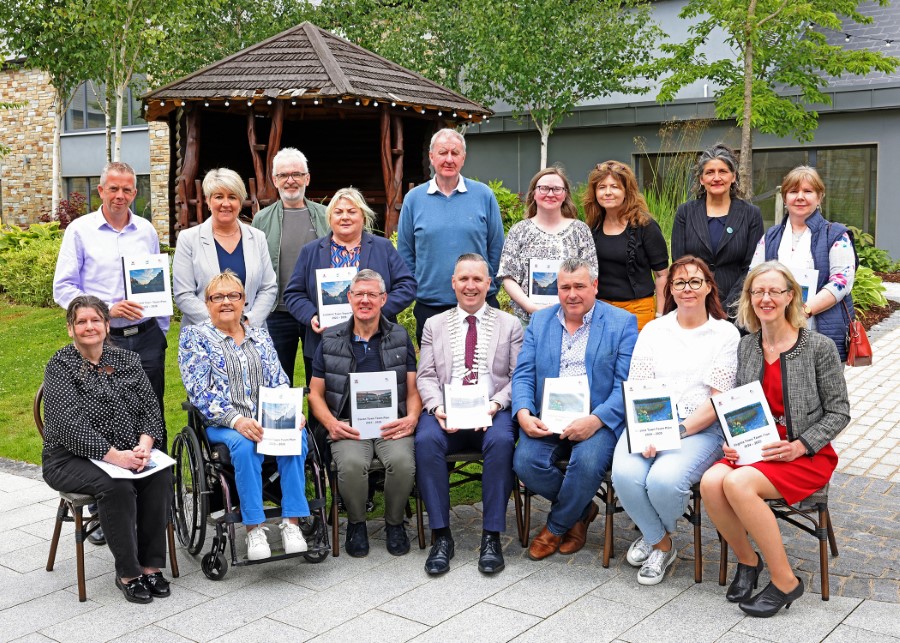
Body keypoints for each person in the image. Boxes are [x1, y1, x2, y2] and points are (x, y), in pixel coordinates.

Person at [701, 261, 850, 617]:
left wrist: (800, 445)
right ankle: (748, 562)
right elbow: (737, 404)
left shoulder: (818, 347)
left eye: (774, 291)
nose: (765, 298)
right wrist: (731, 439)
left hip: (804, 454)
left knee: (736, 484)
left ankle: (785, 581)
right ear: (749, 298)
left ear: (790, 297)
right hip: (756, 446)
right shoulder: (747, 347)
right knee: (710, 481)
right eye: (758, 292)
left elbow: (840, 412)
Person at [53, 161, 169, 546]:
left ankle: (153, 504)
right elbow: (64, 288)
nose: (120, 196)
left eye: (128, 190)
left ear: (136, 193)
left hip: (147, 337)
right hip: (104, 341)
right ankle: (108, 508)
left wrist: (160, 330)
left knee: (150, 415)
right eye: (113, 189)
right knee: (103, 420)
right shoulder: (80, 231)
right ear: (100, 191)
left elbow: (155, 280)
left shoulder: (146, 230)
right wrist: (106, 309)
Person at [611, 256, 739, 585]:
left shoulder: (725, 333)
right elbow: (639, 388)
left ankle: (654, 537)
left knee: (664, 481)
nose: (687, 289)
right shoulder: (654, 329)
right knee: (625, 475)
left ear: (709, 287)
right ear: (670, 289)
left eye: (695, 281)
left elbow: (716, 400)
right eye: (679, 282)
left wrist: (675, 432)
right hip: (649, 420)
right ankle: (663, 543)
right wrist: (648, 432)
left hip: (700, 427)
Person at [42, 296, 172, 604]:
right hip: (69, 458)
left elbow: (151, 411)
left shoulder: (127, 360)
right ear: (70, 329)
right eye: (81, 322)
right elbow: (68, 426)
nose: (89, 327)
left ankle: (151, 566)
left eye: (95, 320)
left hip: (128, 452)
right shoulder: (60, 366)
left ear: (107, 324)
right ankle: (128, 572)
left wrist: (143, 448)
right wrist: (118, 458)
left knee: (160, 475)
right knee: (116, 484)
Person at [179, 271, 310, 561]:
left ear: (244, 301)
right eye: (218, 297)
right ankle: (254, 528)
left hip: (267, 416)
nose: (226, 302)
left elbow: (278, 379)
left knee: (295, 436)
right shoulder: (195, 338)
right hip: (223, 424)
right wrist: (237, 420)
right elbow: (200, 391)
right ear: (207, 302)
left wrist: (292, 413)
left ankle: (292, 523)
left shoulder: (259, 336)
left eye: (233, 296)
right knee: (246, 443)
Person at [513, 257, 638, 560]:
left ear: (595, 286)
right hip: (548, 417)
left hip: (597, 419)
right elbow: (524, 374)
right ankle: (582, 510)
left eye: (579, 286)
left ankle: (555, 527)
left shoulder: (621, 323)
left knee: (587, 463)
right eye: (565, 287)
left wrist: (595, 420)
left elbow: (626, 384)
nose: (572, 294)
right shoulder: (540, 321)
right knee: (525, 463)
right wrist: (524, 413)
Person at [415, 254, 524, 575]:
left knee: (503, 441)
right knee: (425, 440)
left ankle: (491, 536)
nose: (470, 285)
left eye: (478, 279)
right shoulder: (434, 325)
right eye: (464, 279)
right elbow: (426, 376)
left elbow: (519, 377)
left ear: (489, 284)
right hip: (447, 410)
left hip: (492, 409)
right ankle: (441, 536)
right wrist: (437, 408)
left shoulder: (510, 325)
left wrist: (495, 405)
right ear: (453, 283)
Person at [307, 269, 421, 557]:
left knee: (402, 462)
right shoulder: (330, 339)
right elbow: (315, 394)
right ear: (349, 298)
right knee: (352, 465)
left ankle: (395, 523)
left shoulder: (399, 335)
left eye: (372, 294)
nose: (365, 300)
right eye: (359, 294)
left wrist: (412, 418)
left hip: (390, 424)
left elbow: (412, 389)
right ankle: (357, 523)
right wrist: (331, 423)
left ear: (383, 299)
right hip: (348, 426)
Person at [283, 187, 416, 384]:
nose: (345, 217)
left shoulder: (383, 247)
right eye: (338, 212)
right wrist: (311, 316)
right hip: (325, 342)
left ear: (363, 216)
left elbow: (407, 285)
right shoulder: (310, 251)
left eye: (352, 211)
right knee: (325, 403)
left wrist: (377, 311)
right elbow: (294, 294)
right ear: (330, 218)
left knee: (374, 401)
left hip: (376, 340)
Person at [398, 128, 505, 343]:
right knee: (435, 372)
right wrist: (416, 288)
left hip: (479, 304)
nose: (448, 159)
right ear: (431, 156)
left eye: (455, 153)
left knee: (485, 371)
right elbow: (406, 252)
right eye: (442, 152)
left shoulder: (484, 195)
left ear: (463, 158)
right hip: (431, 306)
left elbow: (496, 248)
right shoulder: (414, 199)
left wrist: (484, 286)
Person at [750, 166, 856, 361]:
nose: (800, 197)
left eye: (808, 191)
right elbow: (753, 277)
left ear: (819, 197)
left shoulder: (835, 234)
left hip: (821, 330)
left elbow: (841, 282)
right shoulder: (771, 236)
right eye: (793, 191)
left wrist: (803, 311)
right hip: (775, 330)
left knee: (823, 389)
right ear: (784, 198)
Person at [252, 148, 330, 384]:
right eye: (284, 175)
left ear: (307, 178)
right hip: (277, 313)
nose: (291, 180)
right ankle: (283, 422)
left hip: (317, 313)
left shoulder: (326, 216)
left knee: (320, 378)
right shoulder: (261, 220)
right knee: (276, 380)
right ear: (275, 181)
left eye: (297, 174)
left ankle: (318, 423)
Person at [173, 168, 277, 328]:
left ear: (240, 202)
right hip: (204, 335)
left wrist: (249, 322)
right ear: (208, 200)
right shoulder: (188, 239)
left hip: (250, 333)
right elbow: (183, 294)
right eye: (219, 197)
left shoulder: (257, 237)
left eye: (232, 197)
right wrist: (220, 324)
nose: (226, 203)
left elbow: (268, 288)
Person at [671, 144, 763, 316]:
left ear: (733, 176)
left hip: (736, 308)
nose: (716, 177)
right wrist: (699, 299)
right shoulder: (685, 212)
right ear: (701, 179)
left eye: (722, 171)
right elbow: (679, 263)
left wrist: (729, 305)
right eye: (709, 172)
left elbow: (752, 267)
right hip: (693, 304)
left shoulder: (751, 214)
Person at [497, 167, 597, 324]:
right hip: (527, 322)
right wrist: (532, 308)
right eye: (544, 188)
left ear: (565, 195)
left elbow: (591, 275)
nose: (550, 194)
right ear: (534, 194)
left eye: (557, 189)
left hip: (572, 320)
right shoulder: (519, 231)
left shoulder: (580, 230)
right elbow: (508, 276)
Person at [584, 161, 669, 330]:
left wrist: (661, 316)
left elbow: (662, 276)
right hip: (600, 310)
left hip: (638, 311)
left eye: (614, 186)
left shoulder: (645, 226)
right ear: (595, 193)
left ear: (626, 191)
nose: (608, 192)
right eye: (602, 187)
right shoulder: (592, 227)